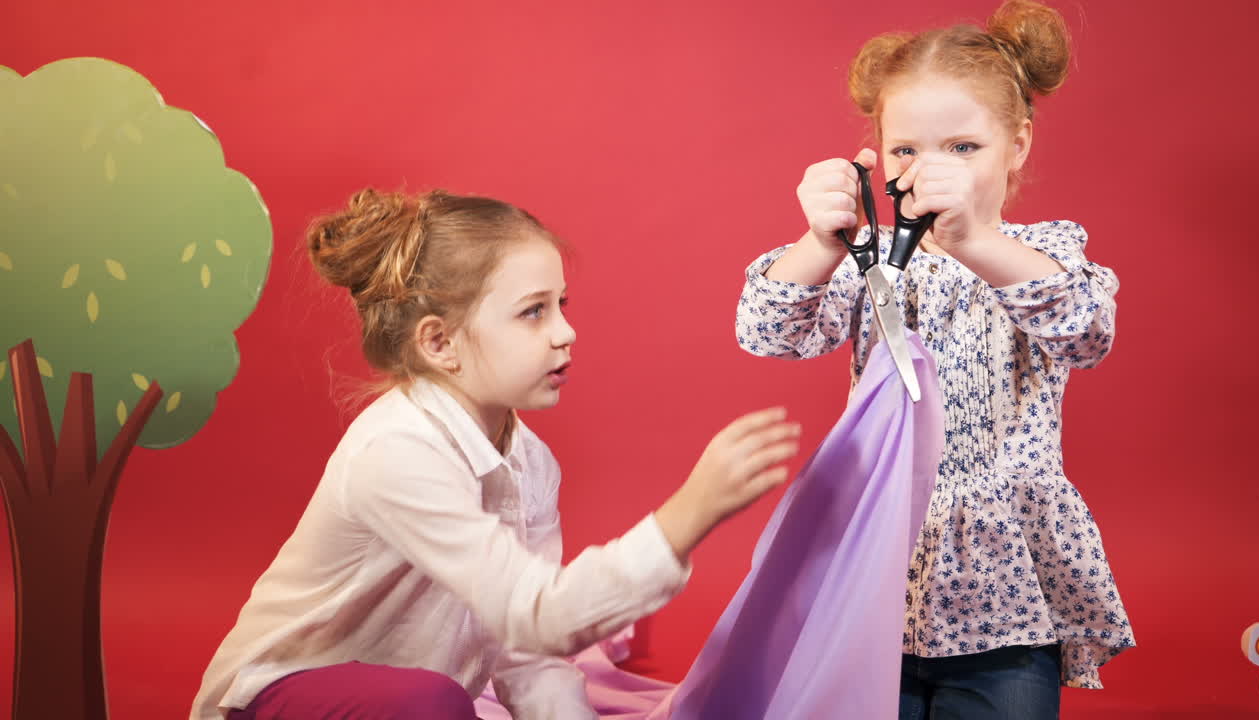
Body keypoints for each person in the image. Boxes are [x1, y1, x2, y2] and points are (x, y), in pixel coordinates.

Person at [191, 187, 801, 719]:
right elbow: (540, 613)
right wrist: (688, 515)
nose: (566, 331)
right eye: (533, 312)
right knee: (434, 703)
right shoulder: (396, 451)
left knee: (440, 700)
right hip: (275, 702)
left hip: (412, 704)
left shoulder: (529, 462)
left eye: (562, 305)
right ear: (440, 343)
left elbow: (528, 653)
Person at [733, 1, 1133, 717]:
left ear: (1017, 145)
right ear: (879, 156)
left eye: (963, 148)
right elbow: (769, 333)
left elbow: (1085, 332)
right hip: (876, 562)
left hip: (1000, 584)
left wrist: (975, 237)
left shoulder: (1043, 252)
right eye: (906, 150)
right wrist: (819, 245)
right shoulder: (871, 258)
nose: (931, 170)